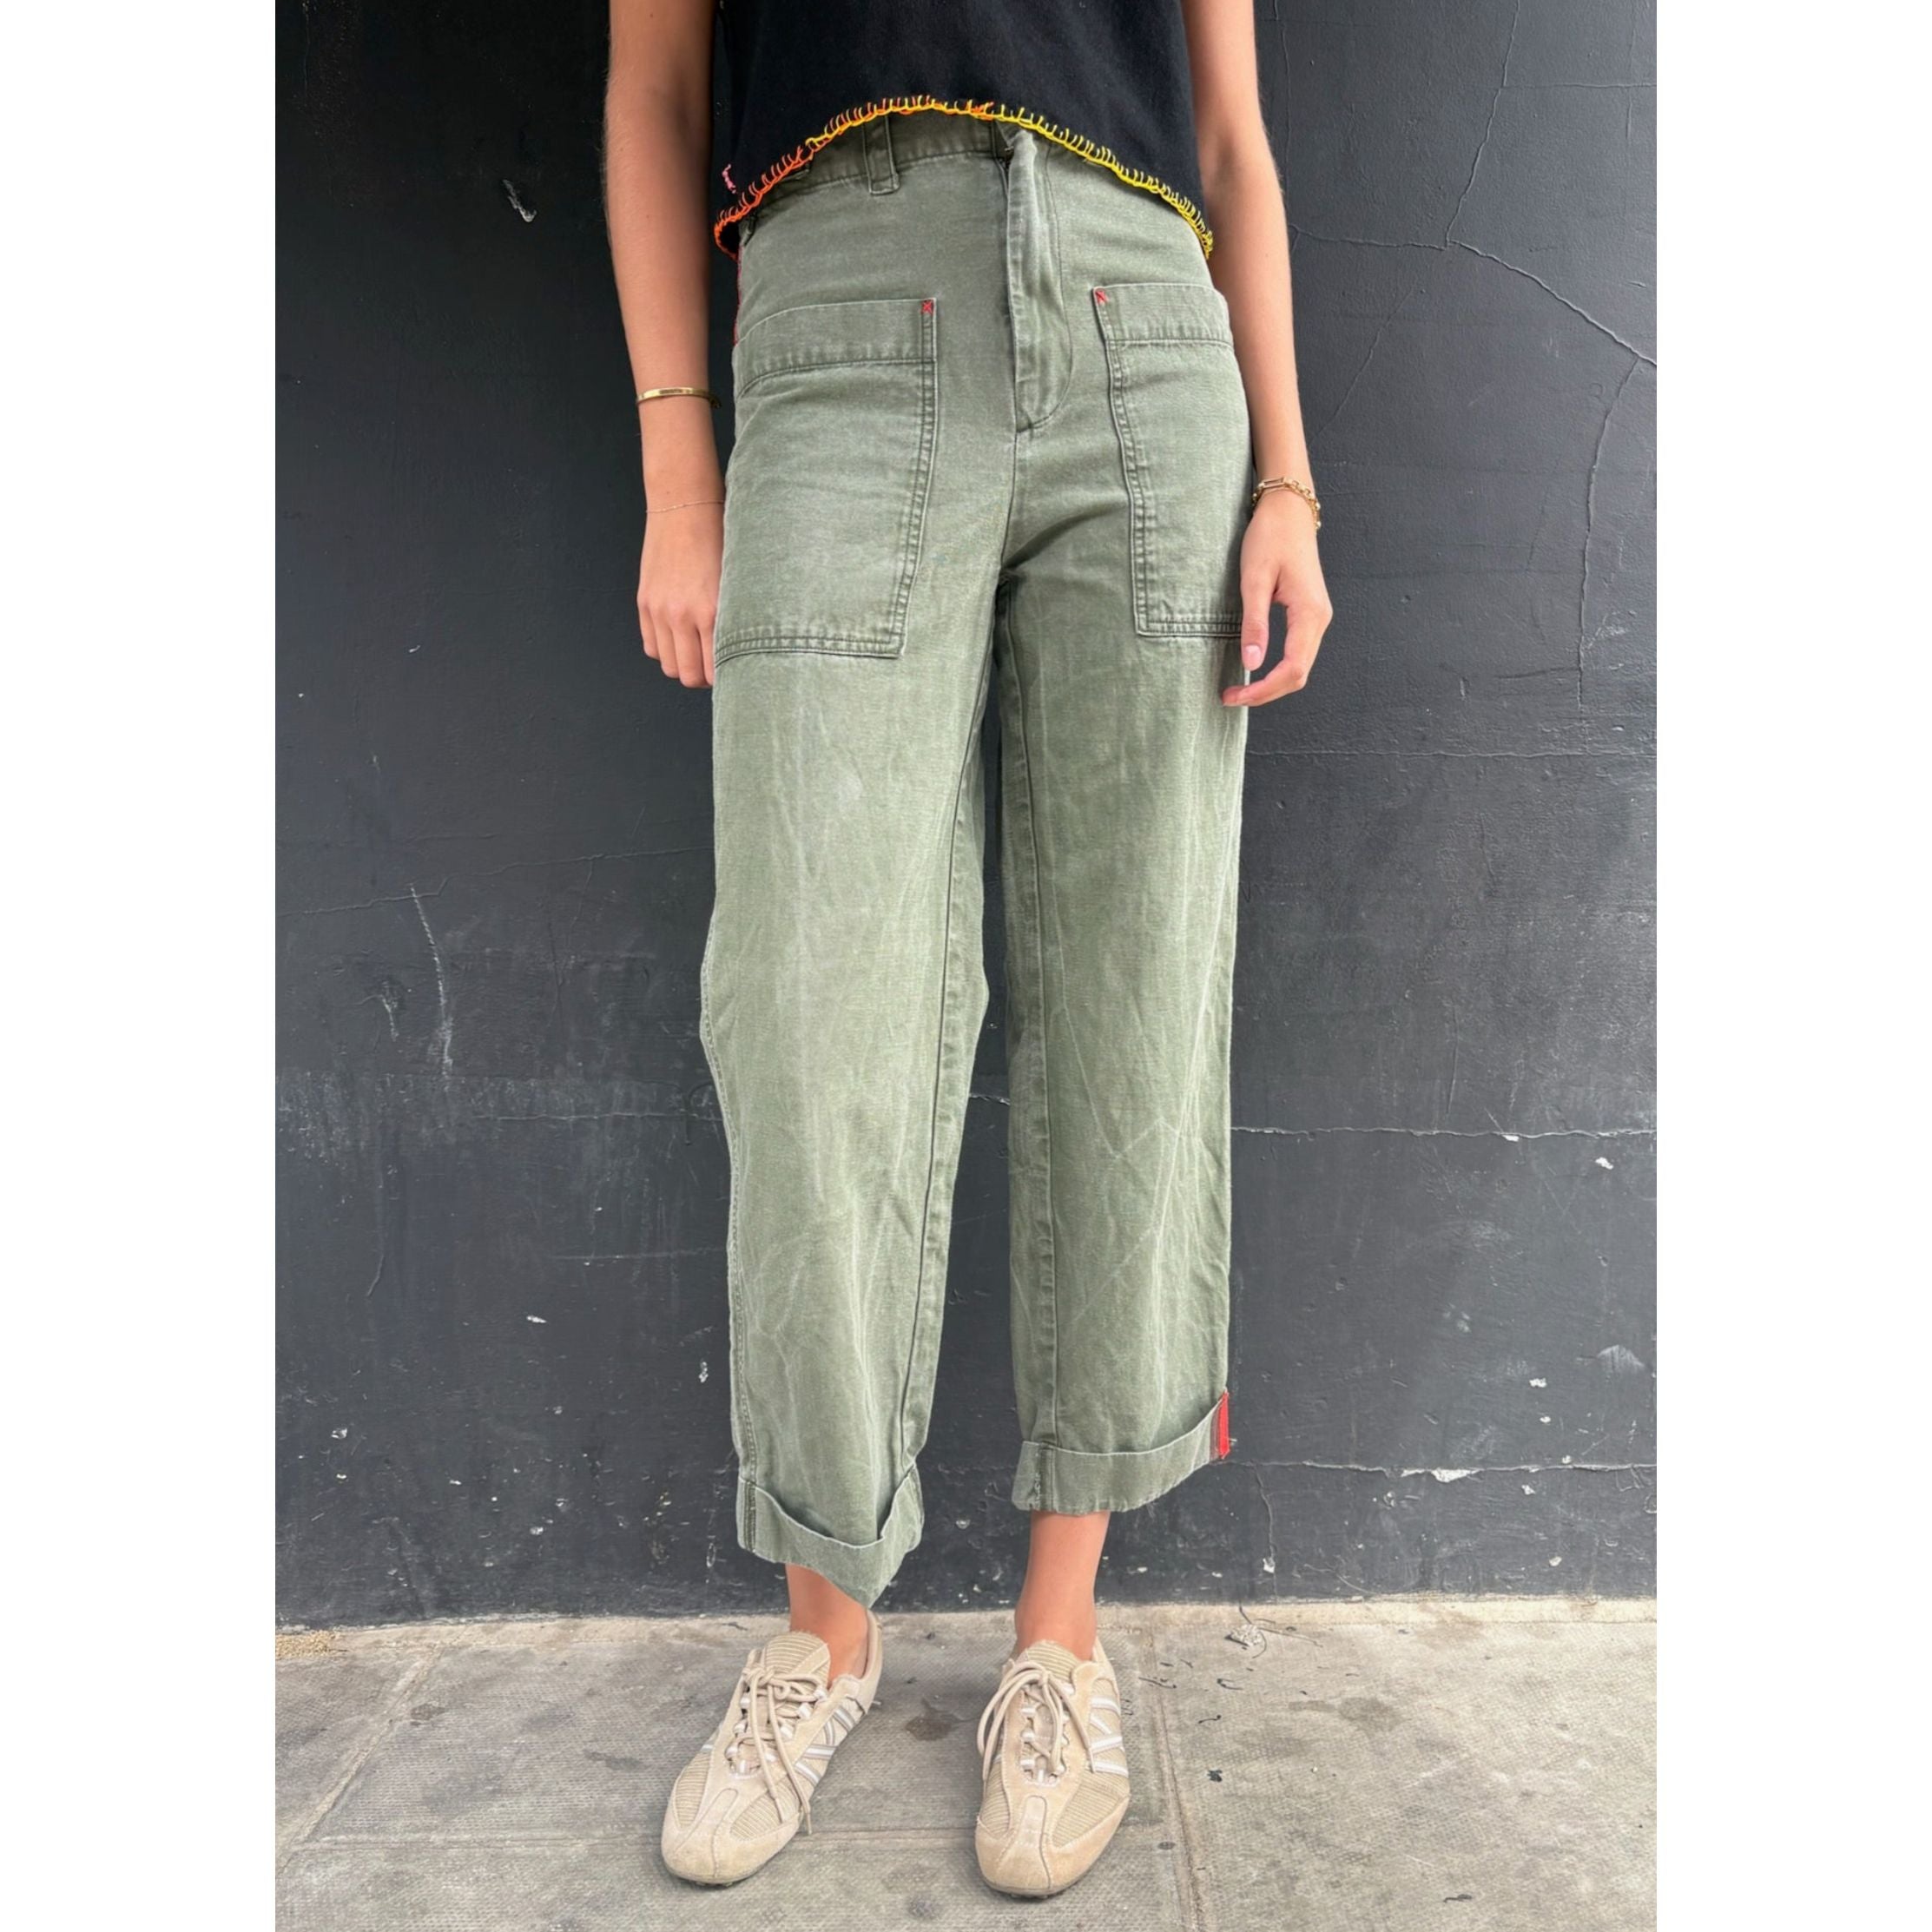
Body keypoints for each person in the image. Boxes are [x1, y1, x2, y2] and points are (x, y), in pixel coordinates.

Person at [604, 0, 1331, 1896]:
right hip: (836, 320)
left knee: (1132, 997)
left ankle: (1058, 1645)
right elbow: (654, 85)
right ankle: (824, 1633)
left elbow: (1232, 135)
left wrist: (1288, 477)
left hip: (1144, 334)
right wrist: (680, 468)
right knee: (806, 1006)